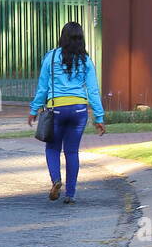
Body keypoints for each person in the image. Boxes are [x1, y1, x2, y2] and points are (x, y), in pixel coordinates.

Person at [27, 21, 107, 204]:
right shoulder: (86, 60)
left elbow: (42, 88)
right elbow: (93, 91)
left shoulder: (51, 57)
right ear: (81, 39)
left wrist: (33, 109)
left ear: (62, 37)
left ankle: (56, 180)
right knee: (72, 152)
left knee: (52, 148)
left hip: (57, 109)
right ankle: (70, 194)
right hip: (79, 110)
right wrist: (99, 117)